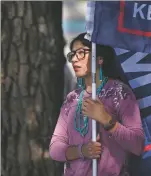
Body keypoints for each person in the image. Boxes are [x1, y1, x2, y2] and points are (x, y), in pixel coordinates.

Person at [49, 33, 145, 176]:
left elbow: (137, 144)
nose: (74, 59)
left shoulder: (120, 92)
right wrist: (82, 150)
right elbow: (55, 149)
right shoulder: (72, 99)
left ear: (99, 58)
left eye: (81, 53)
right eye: (73, 54)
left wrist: (107, 120)